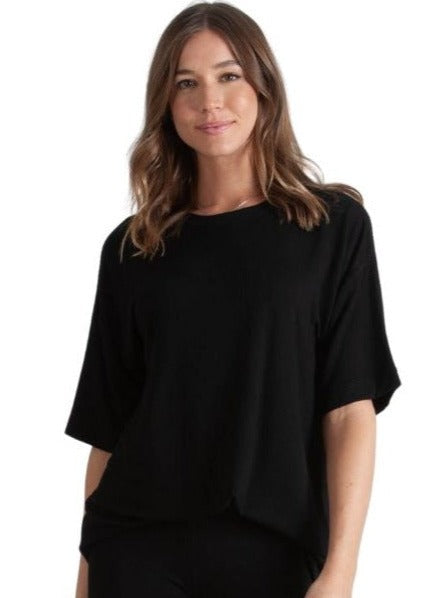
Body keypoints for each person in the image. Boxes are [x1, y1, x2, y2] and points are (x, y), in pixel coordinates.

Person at [64, 2, 402, 597]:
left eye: (228, 76)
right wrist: (85, 581)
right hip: (136, 549)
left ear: (264, 87)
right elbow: (108, 432)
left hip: (273, 551)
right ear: (166, 104)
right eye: (186, 84)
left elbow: (350, 410)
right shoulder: (133, 247)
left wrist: (341, 572)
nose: (209, 102)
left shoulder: (331, 228)